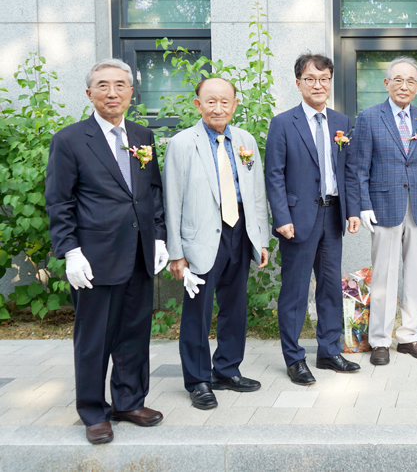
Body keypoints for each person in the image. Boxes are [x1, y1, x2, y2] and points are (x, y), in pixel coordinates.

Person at [45, 60, 167, 444]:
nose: (112, 92)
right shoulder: (69, 140)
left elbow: (151, 193)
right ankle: (94, 411)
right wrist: (69, 252)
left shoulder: (142, 135)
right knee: (94, 338)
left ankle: (129, 401)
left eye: (120, 85)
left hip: (139, 255)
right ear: (89, 94)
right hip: (94, 258)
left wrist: (159, 237)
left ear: (132, 92)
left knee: (134, 334)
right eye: (103, 85)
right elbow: (59, 202)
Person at [162, 78, 269, 409]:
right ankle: (197, 380)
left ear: (235, 104)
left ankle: (227, 370)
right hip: (201, 240)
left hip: (239, 232)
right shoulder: (182, 144)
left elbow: (255, 193)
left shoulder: (245, 140)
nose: (218, 108)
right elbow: (172, 200)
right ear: (197, 104)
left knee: (235, 308)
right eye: (211, 101)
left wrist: (261, 239)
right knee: (198, 312)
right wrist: (176, 253)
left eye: (225, 102)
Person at [265, 53, 361, 385]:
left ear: (330, 82)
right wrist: (281, 217)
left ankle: (329, 351)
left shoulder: (342, 122)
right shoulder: (282, 123)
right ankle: (294, 359)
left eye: (324, 79)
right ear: (298, 83)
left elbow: (349, 171)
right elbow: (274, 175)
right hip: (297, 219)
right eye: (310, 79)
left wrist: (352, 211)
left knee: (331, 287)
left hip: (332, 216)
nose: (318, 85)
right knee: (294, 291)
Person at [345, 56, 417, 366]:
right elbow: (358, 168)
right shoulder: (369, 118)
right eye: (397, 80)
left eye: (410, 81)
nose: (404, 85)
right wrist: (364, 205)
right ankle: (379, 340)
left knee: (416, 273)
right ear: (386, 84)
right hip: (384, 206)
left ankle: (410, 336)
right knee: (384, 275)